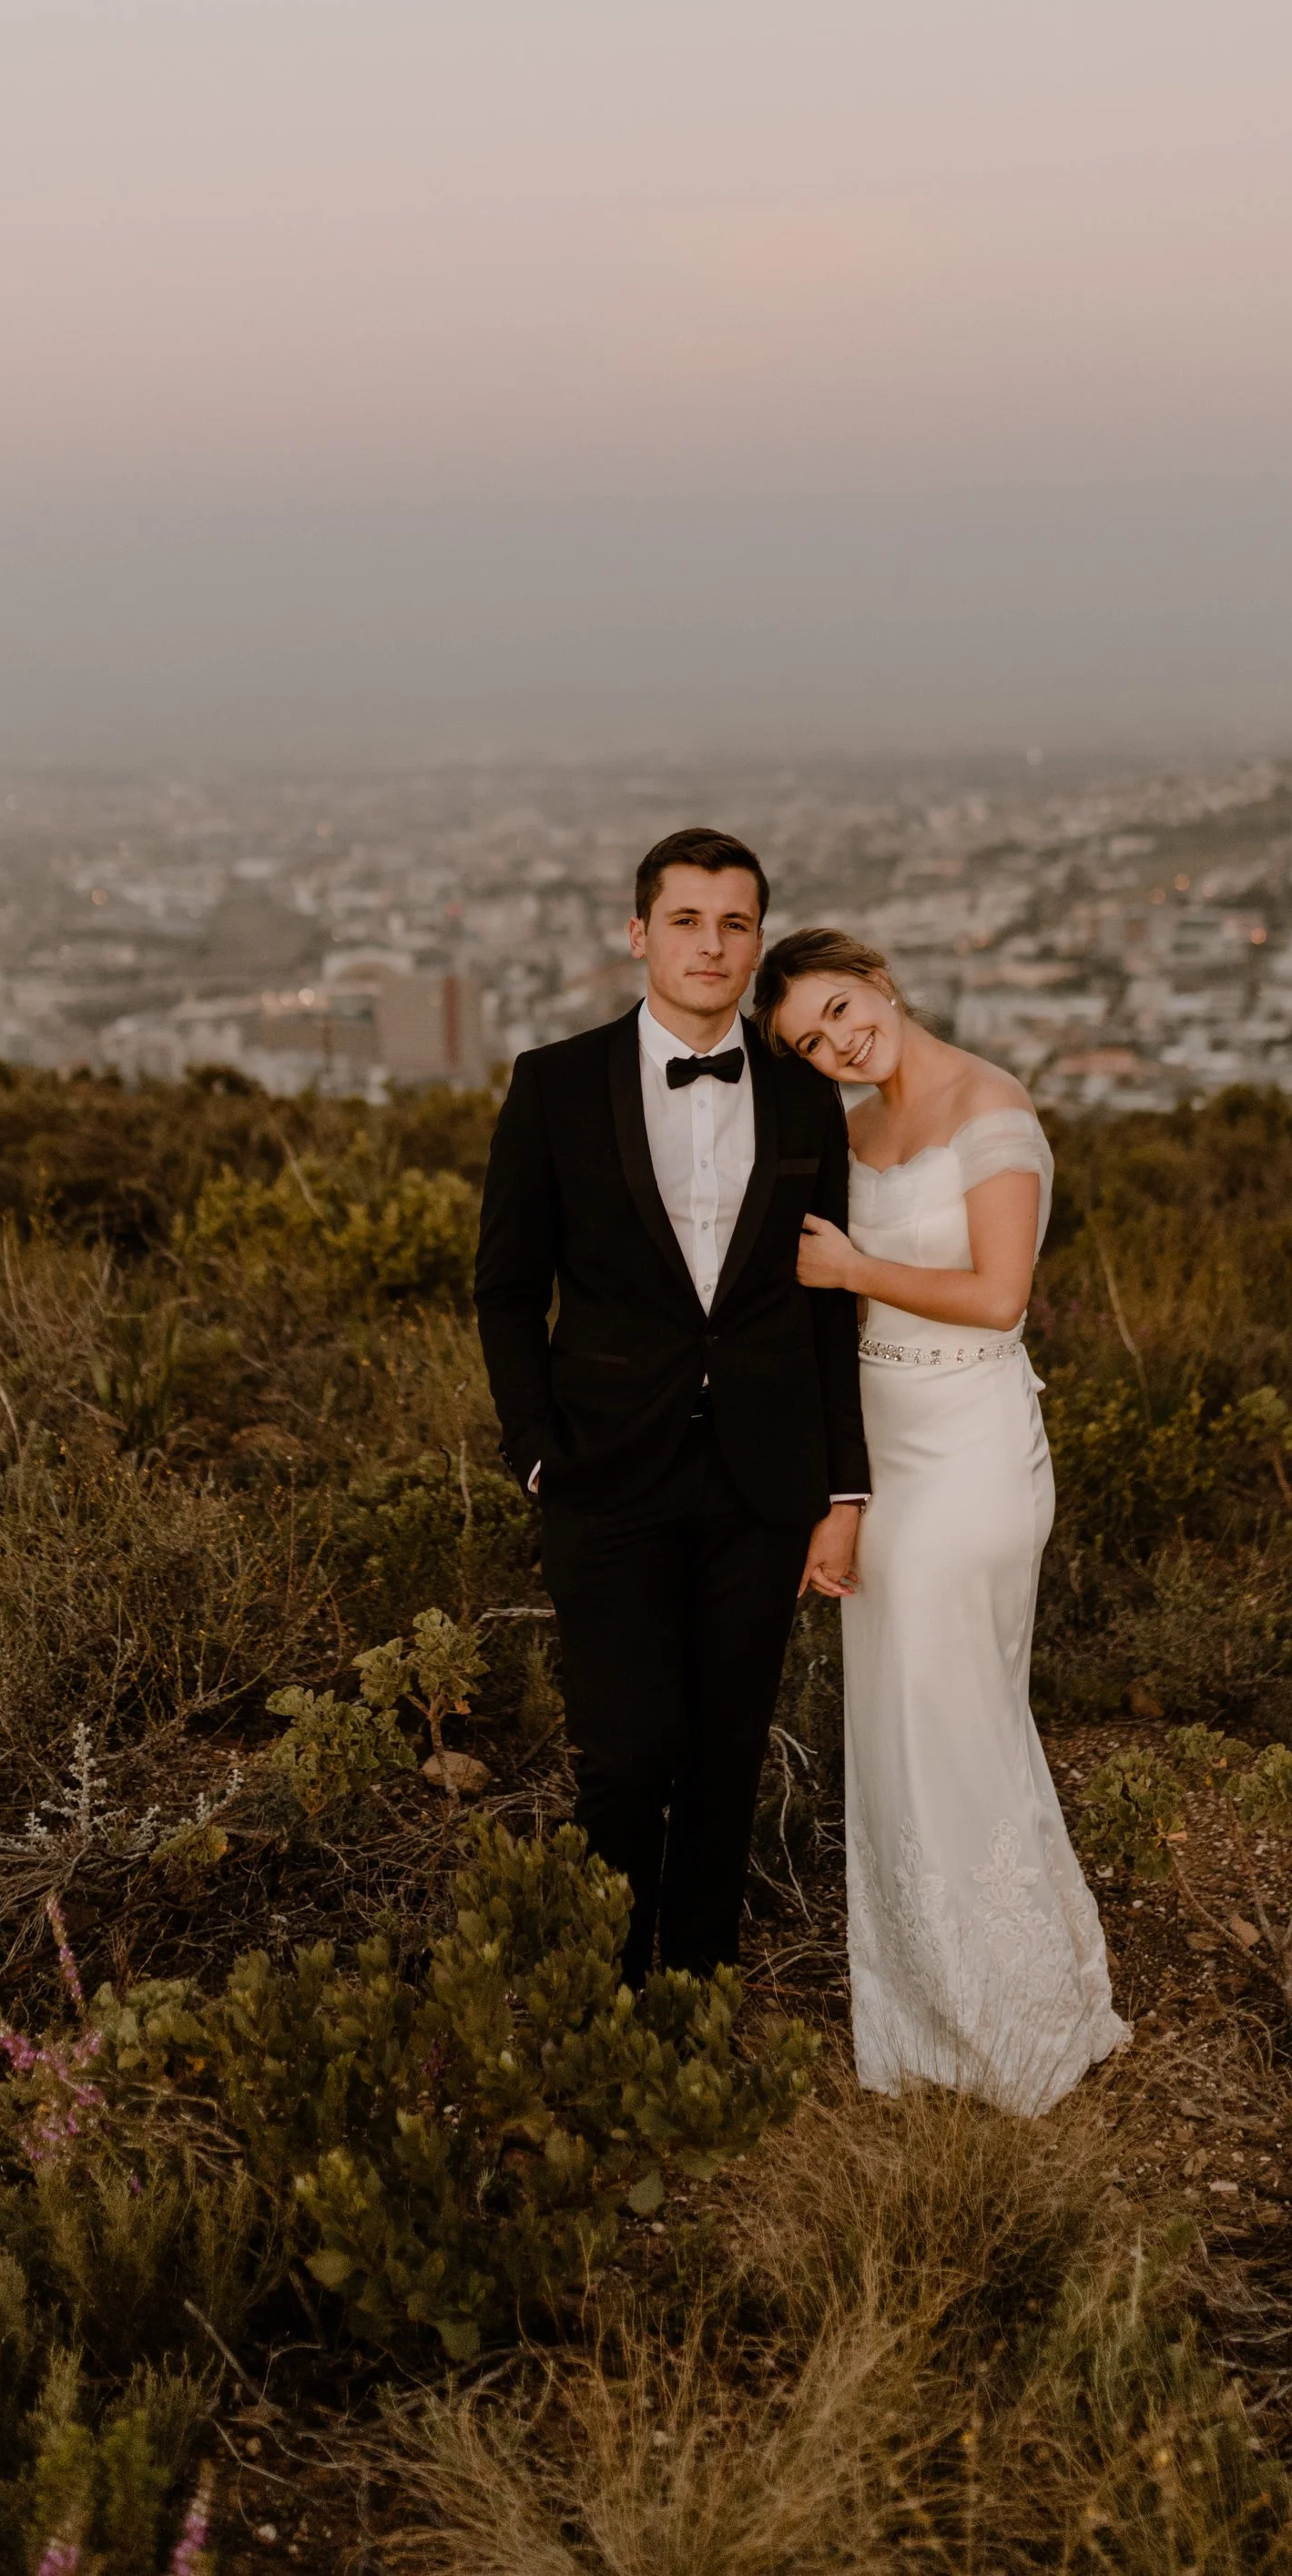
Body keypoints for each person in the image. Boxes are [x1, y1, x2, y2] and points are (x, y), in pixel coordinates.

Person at [474, 828, 868, 1986]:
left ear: (757, 941)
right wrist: (535, 1451)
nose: (711, 945)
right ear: (638, 933)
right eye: (686, 921)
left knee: (726, 1752)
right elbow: (507, 1288)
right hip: (603, 1469)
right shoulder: (553, 1083)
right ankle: (607, 1995)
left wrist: (843, 1488)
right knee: (625, 1755)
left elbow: (826, 1304)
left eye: (734, 924)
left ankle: (698, 1992)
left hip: (762, 1473)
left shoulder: (805, 1096)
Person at [751, 926, 1128, 2114]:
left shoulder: (991, 1106)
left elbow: (1000, 1296)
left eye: (839, 1009)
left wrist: (853, 1270)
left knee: (953, 1709)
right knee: (904, 1724)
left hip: (970, 1448)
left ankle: (1010, 2023)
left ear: (877, 979)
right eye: (811, 1044)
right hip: (881, 1451)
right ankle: (935, 2005)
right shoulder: (853, 1129)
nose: (839, 1043)